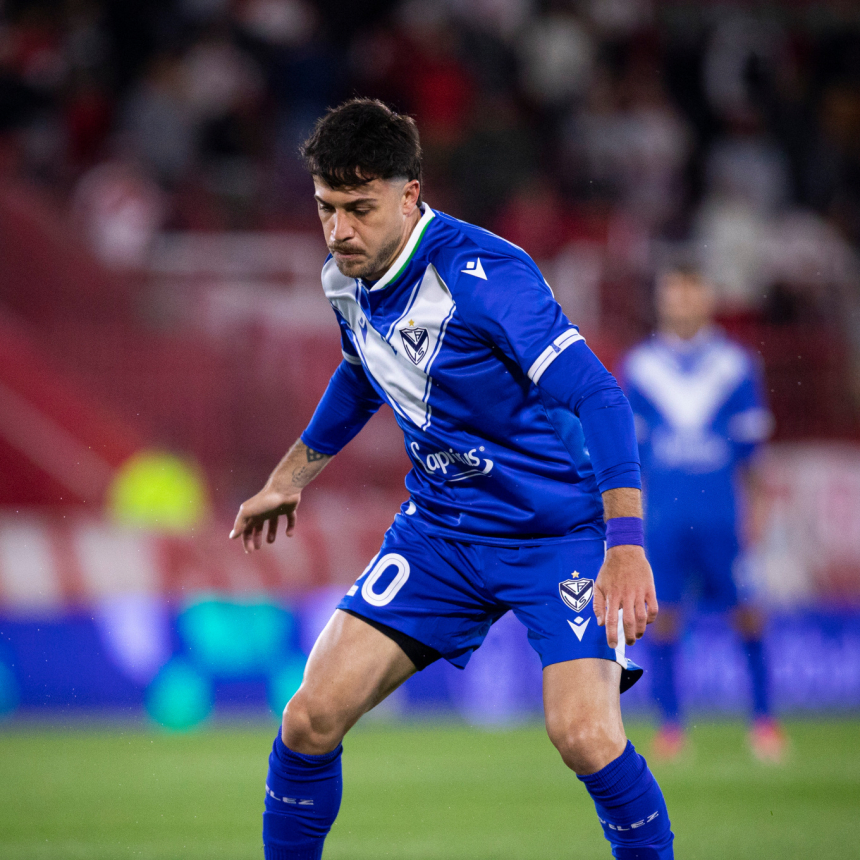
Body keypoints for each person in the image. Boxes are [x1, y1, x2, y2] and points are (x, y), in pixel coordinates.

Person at [230, 98, 674, 859]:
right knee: (308, 718)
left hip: (554, 535)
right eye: (326, 208)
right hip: (442, 533)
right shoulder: (346, 278)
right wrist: (290, 476)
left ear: (409, 196)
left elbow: (600, 397)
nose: (339, 231)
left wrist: (625, 544)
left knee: (584, 735)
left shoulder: (487, 277)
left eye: (359, 209)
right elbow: (362, 371)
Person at [619, 265, 786, 763]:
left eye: (690, 293)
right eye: (673, 293)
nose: (682, 302)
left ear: (707, 298)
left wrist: (757, 516)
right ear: (661, 300)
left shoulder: (735, 364)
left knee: (749, 614)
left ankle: (764, 723)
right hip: (665, 518)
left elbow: (753, 454)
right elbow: (630, 458)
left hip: (722, 517)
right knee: (663, 618)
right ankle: (671, 728)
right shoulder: (641, 366)